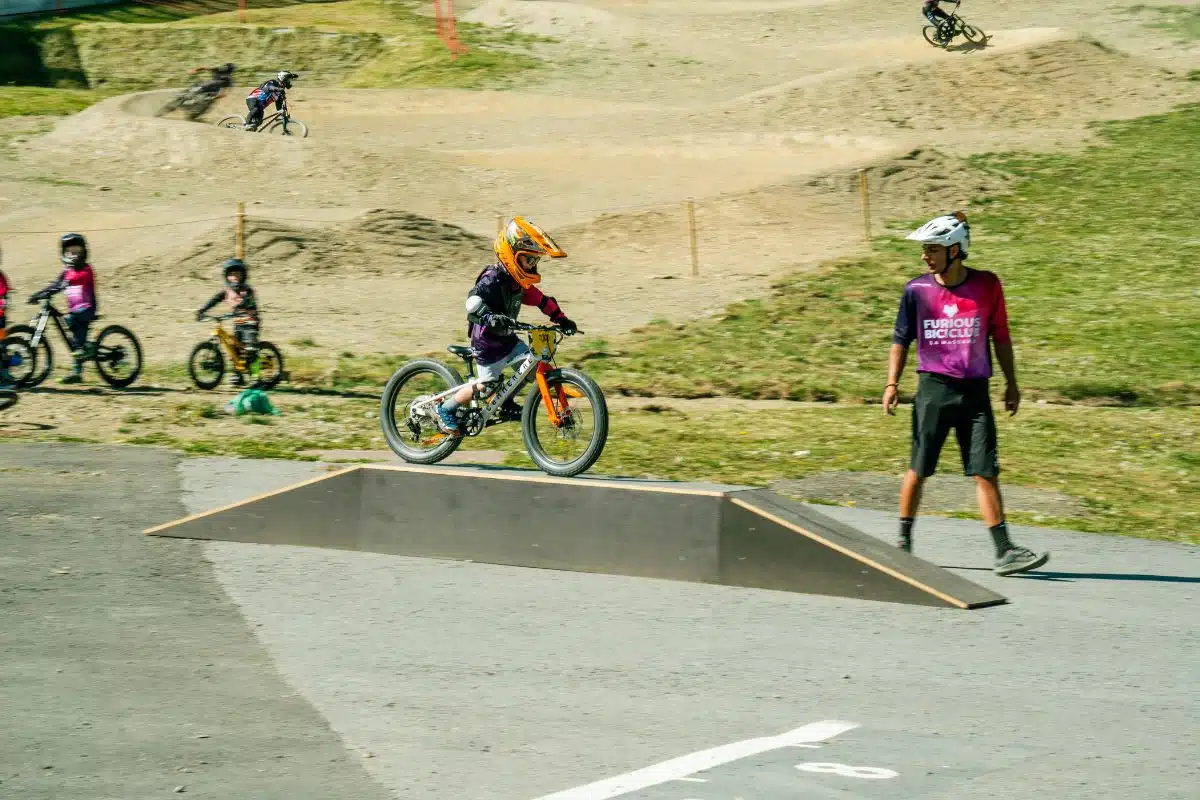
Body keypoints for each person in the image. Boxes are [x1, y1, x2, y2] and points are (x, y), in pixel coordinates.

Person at [884, 212, 1049, 577]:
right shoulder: (917, 291)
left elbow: (1001, 335)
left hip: (975, 393)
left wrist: (1012, 382)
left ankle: (1004, 551)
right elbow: (901, 339)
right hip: (933, 390)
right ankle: (902, 542)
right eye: (925, 250)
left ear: (955, 250)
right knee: (920, 466)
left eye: (933, 249)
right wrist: (892, 384)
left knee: (985, 470)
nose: (925, 257)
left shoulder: (988, 285)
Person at [435, 216, 578, 435]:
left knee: (529, 370)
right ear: (512, 255)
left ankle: (504, 403)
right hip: (486, 342)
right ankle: (445, 409)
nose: (532, 266)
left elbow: (542, 301)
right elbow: (472, 300)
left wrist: (561, 319)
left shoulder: (518, 284)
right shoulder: (492, 278)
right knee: (486, 386)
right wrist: (489, 315)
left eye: (534, 261)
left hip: (507, 339)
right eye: (529, 260)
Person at [29, 233, 98, 385]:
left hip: (87, 309)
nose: (74, 255)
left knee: (74, 329)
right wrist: (39, 294)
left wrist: (63, 284)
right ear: (64, 254)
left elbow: (78, 278)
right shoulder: (67, 271)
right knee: (73, 337)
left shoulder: (86, 269)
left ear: (84, 252)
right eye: (70, 252)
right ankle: (77, 371)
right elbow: (56, 284)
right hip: (74, 310)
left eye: (77, 251)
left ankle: (82, 355)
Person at [196, 258, 261, 387]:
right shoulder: (226, 291)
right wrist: (203, 309)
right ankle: (238, 375)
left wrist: (242, 305)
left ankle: (256, 376)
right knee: (233, 349)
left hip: (250, 323)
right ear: (226, 276)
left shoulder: (246, 290)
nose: (234, 276)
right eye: (231, 274)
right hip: (238, 323)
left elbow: (248, 300)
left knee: (250, 349)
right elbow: (215, 299)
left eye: (238, 273)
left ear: (243, 275)